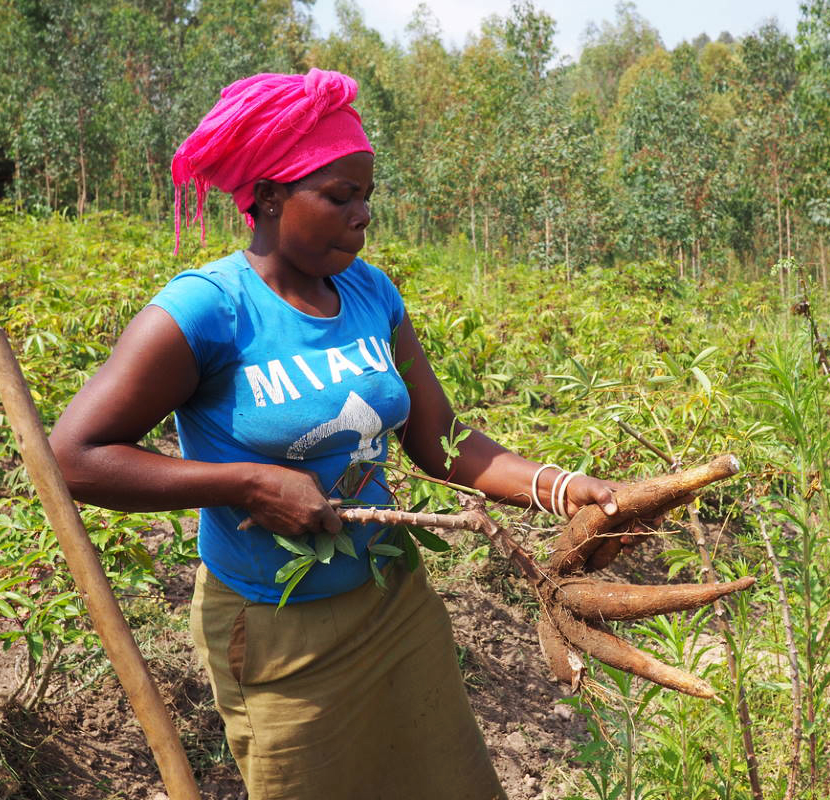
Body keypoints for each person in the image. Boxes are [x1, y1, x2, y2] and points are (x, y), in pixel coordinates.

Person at [49, 68, 636, 799]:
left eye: (365, 196)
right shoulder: (207, 310)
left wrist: (567, 489)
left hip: (395, 601)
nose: (361, 216)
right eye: (338, 196)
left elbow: (442, 439)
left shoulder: (370, 292)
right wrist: (246, 483)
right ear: (267, 196)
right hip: (275, 630)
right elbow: (73, 459)